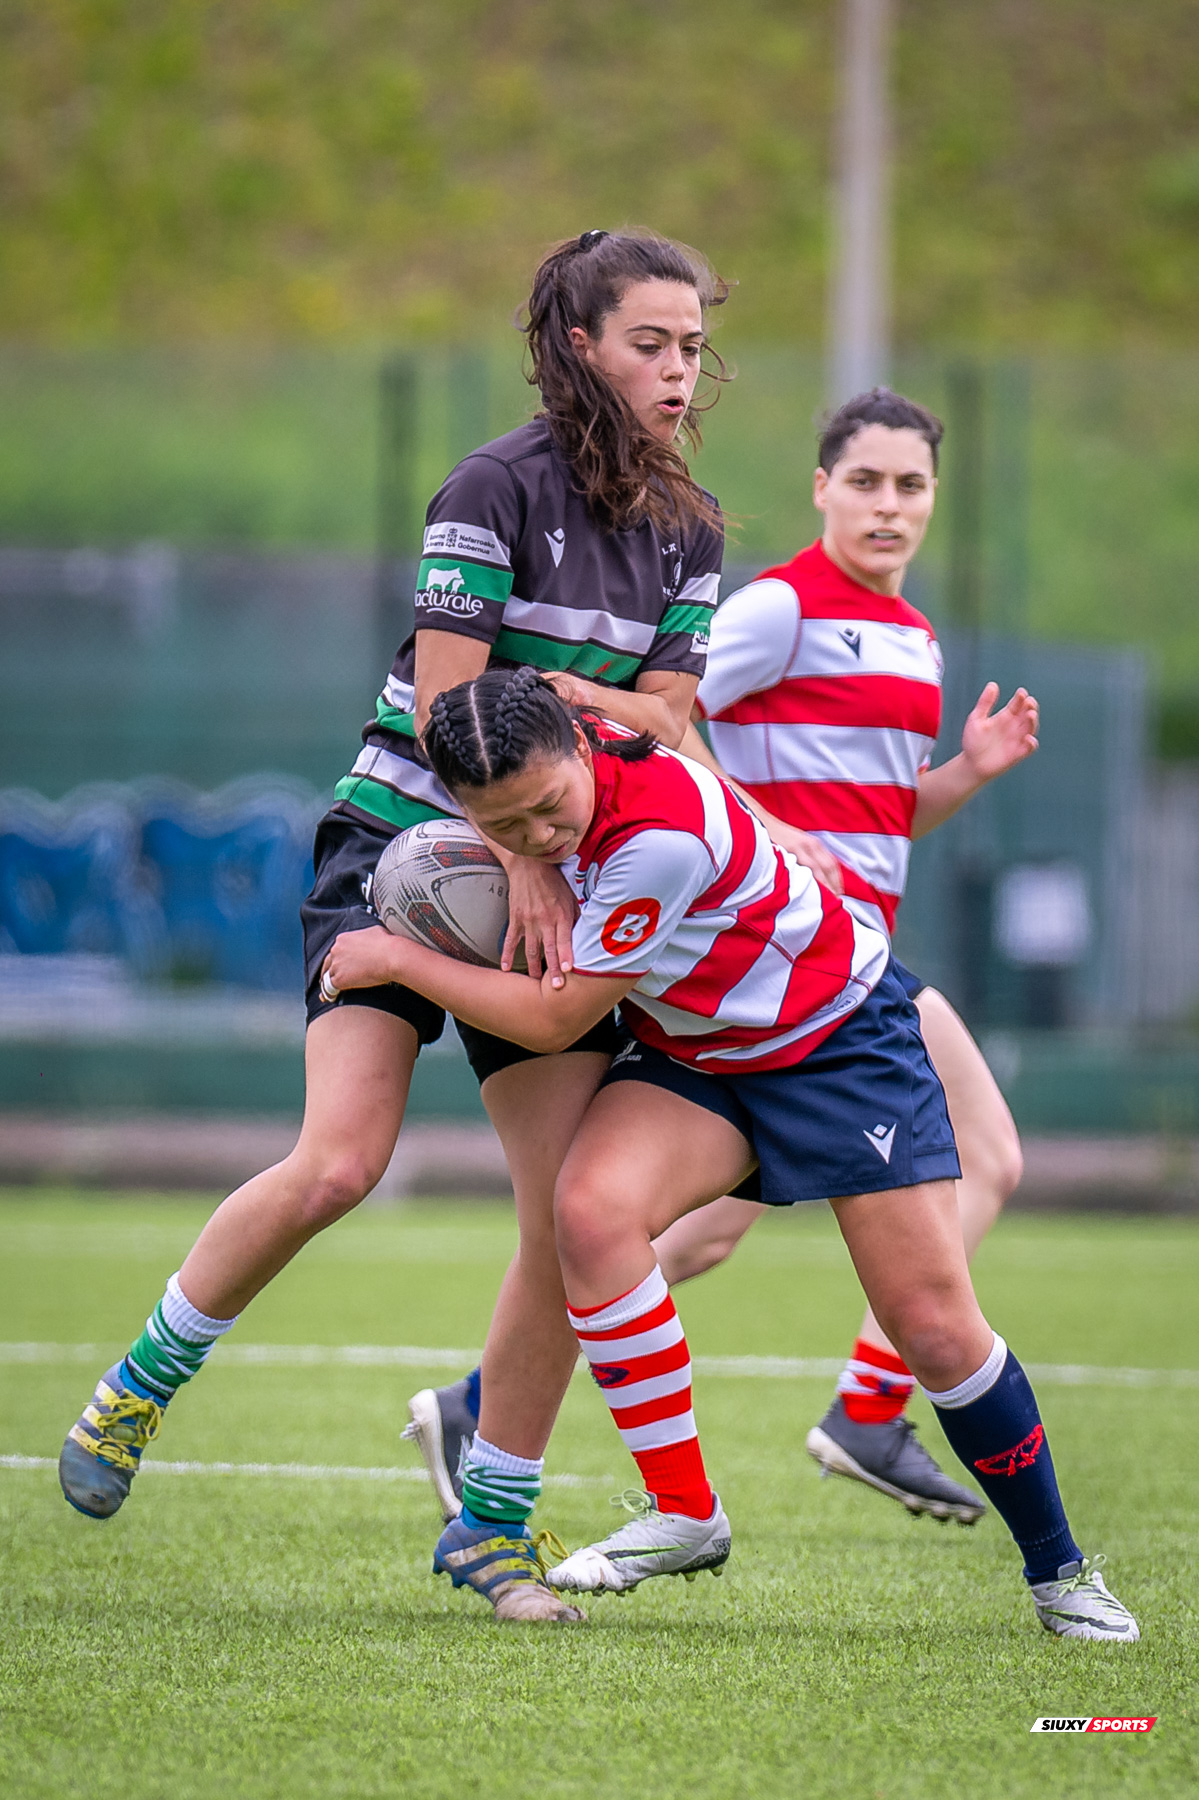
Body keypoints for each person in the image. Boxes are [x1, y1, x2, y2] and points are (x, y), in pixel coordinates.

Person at [57, 229, 727, 1619]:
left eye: (691, 345)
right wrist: (535, 831)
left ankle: (488, 1525)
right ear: (579, 345)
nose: (677, 369)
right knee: (339, 1162)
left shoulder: (690, 525)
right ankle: (140, 1385)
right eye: (649, 342)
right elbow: (447, 706)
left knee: (566, 1214)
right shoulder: (490, 489)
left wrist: (574, 814)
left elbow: (669, 717)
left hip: (556, 859)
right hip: (402, 848)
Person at [323, 666, 1138, 1643]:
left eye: (548, 810)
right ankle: (684, 1512)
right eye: (505, 828)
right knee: (587, 1213)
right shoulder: (559, 746)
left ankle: (1057, 1571)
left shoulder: (655, 839)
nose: (538, 840)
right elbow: (558, 722)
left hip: (837, 1044)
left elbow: (557, 1019)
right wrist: (520, 843)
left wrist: (397, 958)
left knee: (929, 1327)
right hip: (703, 1052)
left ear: (580, 748)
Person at [408, 386, 1037, 1530]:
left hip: (829, 955)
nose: (888, 506)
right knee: (983, 1155)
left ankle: (492, 1402)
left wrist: (968, 774)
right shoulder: (782, 609)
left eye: (909, 486)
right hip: (773, 947)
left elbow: (881, 820)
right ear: (820, 489)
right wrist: (733, 820)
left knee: (666, 1224)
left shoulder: (914, 636)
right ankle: (859, 1411)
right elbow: (667, 727)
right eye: (865, 482)